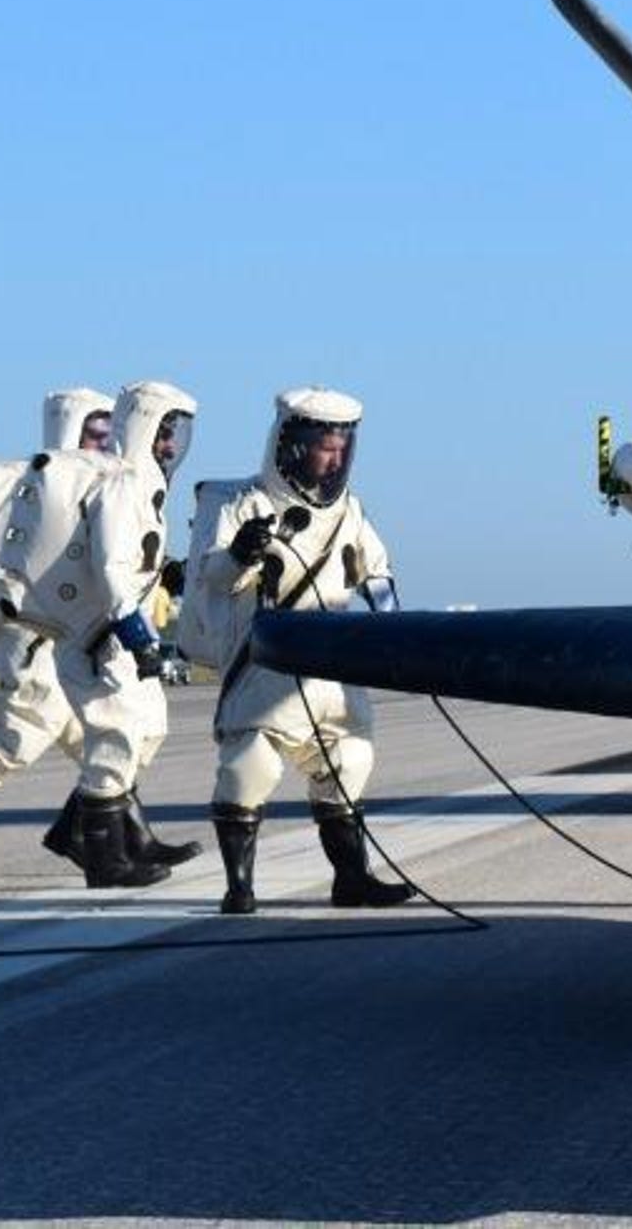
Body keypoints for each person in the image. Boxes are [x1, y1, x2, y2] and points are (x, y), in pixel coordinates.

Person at [189, 388, 411, 914]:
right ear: (291, 445)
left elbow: (375, 573)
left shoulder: (349, 513)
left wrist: (397, 628)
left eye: (342, 447)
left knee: (350, 760)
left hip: (333, 671)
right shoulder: (238, 503)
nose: (334, 458)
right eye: (324, 446)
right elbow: (210, 578)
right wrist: (243, 552)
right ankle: (238, 888)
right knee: (249, 770)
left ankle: (352, 879)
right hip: (268, 664)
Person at [0, 388, 114, 882]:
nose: (104, 442)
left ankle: (91, 838)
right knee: (18, 740)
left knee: (109, 740)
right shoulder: (40, 492)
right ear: (69, 430)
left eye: (107, 433)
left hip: (60, 640)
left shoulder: (79, 487)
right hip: (32, 641)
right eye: (94, 432)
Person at [49, 379, 204, 887]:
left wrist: (172, 575)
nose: (170, 443)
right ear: (141, 426)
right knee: (115, 737)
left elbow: (138, 564)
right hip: (102, 637)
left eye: (176, 433)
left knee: (150, 729)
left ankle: (80, 829)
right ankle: (103, 859)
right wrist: (140, 638)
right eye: (164, 431)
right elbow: (112, 569)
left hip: (122, 635)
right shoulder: (118, 483)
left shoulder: (143, 485)